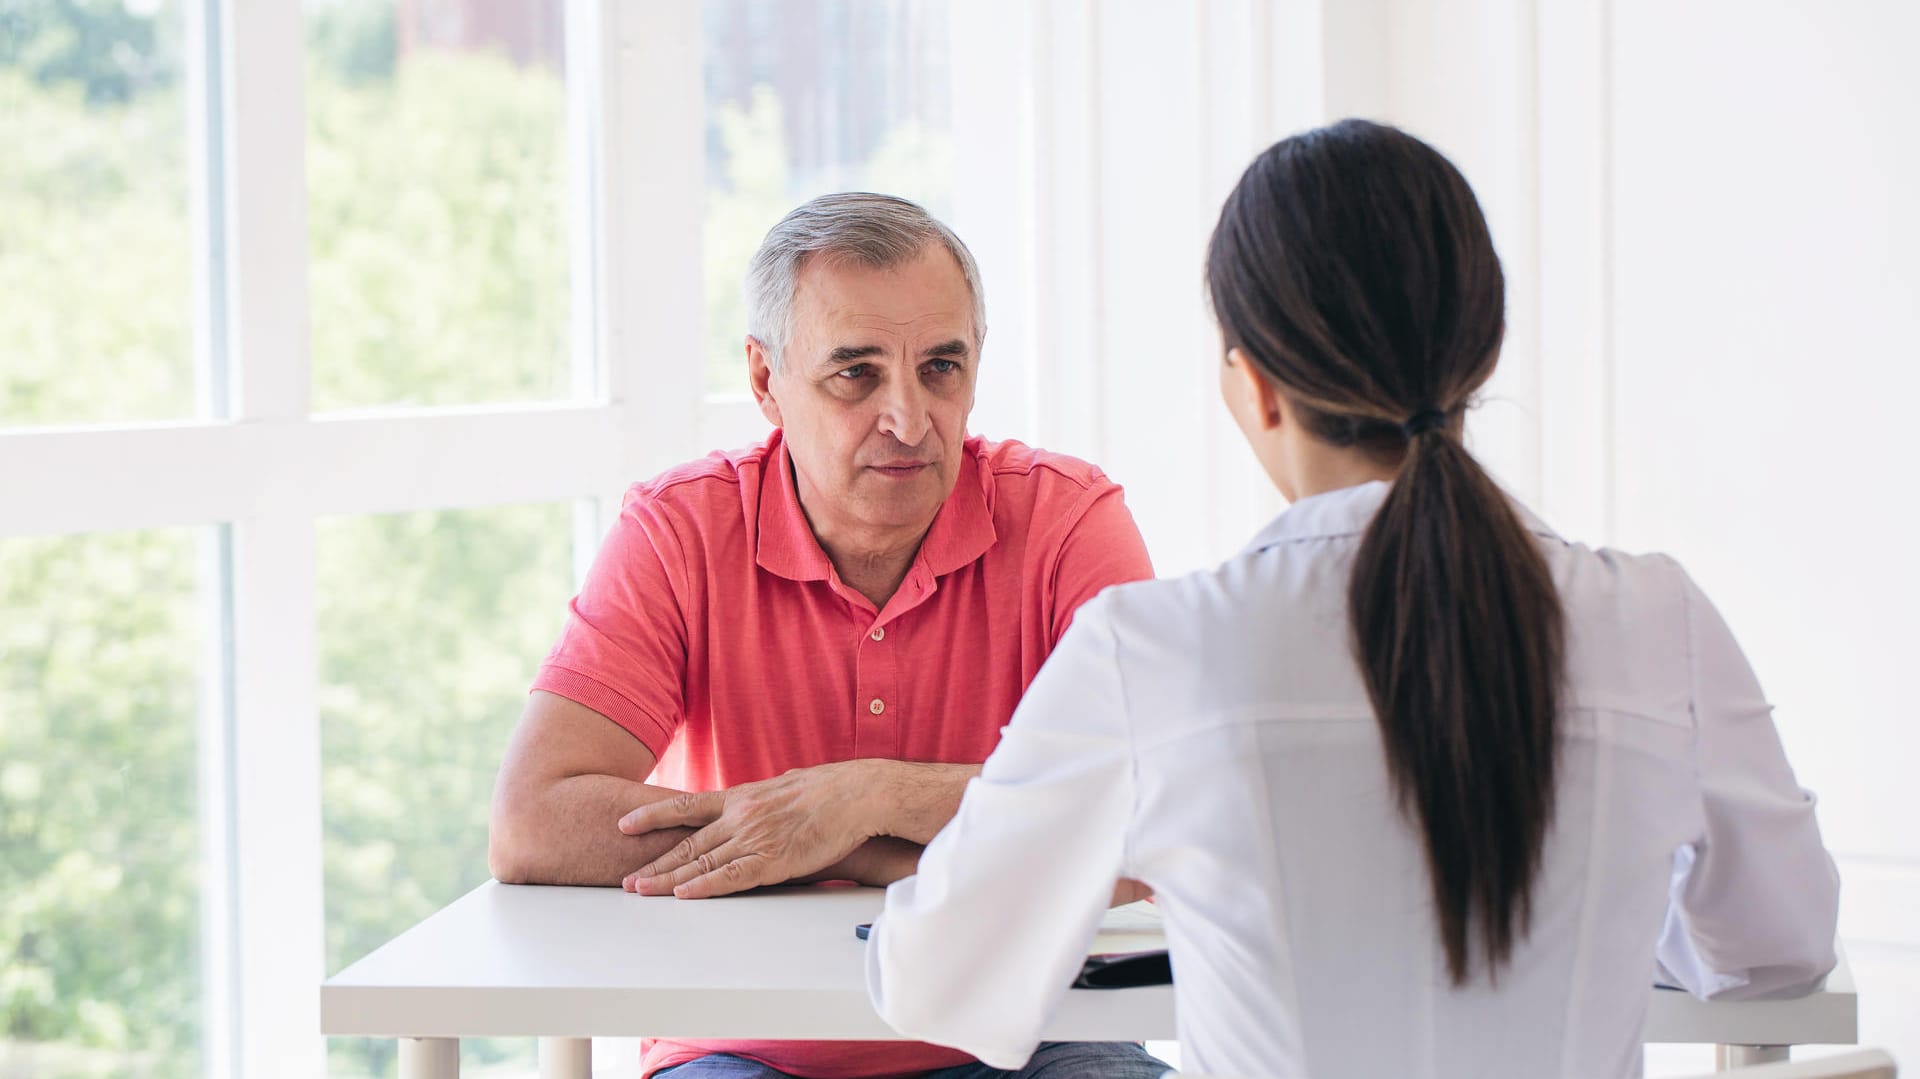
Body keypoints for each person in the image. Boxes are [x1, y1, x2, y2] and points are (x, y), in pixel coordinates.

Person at [864, 120, 1840, 1078]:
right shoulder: (1658, 618)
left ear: (1254, 386)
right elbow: (1777, 945)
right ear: (1483, 356)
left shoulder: (1153, 649)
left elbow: (935, 980)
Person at [487, 193, 1169, 1078]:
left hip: (1032, 1037)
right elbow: (534, 820)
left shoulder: (1067, 518)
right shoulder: (679, 529)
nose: (910, 417)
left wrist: (871, 796)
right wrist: (846, 839)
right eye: (856, 373)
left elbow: (1154, 809)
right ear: (766, 381)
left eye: (940, 367)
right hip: (742, 1048)